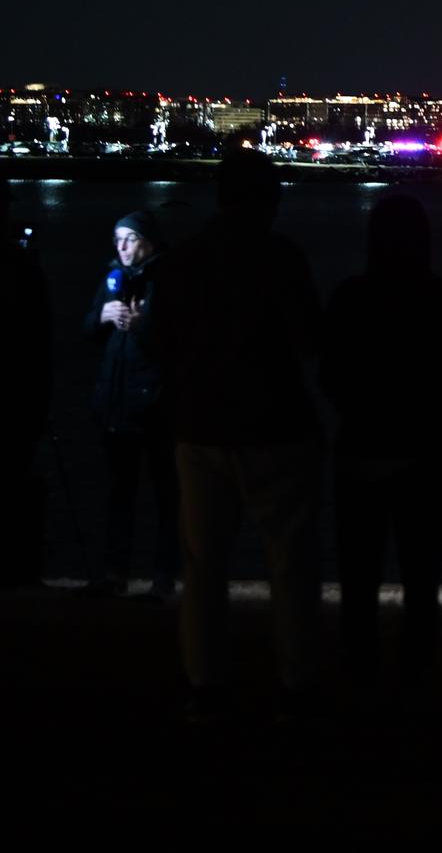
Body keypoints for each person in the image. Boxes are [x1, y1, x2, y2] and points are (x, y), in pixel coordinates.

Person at [146, 150, 326, 719]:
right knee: (290, 562)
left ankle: (205, 681)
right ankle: (296, 678)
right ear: (268, 201)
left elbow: (155, 345)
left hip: (198, 426)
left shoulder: (182, 262)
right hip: (275, 426)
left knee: (202, 564)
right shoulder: (281, 257)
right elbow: (309, 339)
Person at [321, 194, 442, 689]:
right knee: (422, 575)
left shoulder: (349, 297)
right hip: (424, 454)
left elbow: (329, 374)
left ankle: (360, 668)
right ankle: (416, 672)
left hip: (359, 451)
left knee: (359, 577)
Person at [83, 210, 178, 598]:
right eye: (117, 238)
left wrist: (143, 328)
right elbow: (88, 332)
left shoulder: (168, 281)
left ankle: (162, 578)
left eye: (130, 238)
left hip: (156, 407)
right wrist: (101, 317)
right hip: (117, 404)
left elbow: (179, 343)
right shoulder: (111, 278)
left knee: (165, 497)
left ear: (149, 242)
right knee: (119, 495)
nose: (121, 247)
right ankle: (113, 574)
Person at [0, 185, 50, 589]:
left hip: (18, 394)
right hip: (17, 396)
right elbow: (39, 336)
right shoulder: (22, 268)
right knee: (18, 482)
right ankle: (20, 570)